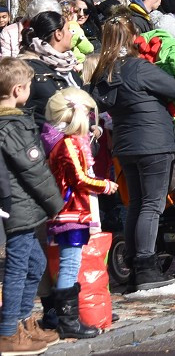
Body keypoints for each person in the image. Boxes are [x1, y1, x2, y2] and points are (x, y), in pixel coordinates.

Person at [88, 15, 175, 292]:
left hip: (124, 143)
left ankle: (135, 263)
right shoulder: (137, 67)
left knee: (135, 203)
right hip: (153, 142)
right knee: (151, 205)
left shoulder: (104, 71)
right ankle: (147, 268)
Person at [41, 88, 118, 339]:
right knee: (70, 264)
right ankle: (68, 321)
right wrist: (105, 185)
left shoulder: (66, 142)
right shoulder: (67, 144)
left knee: (70, 264)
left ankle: (69, 318)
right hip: (70, 211)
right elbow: (80, 178)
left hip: (72, 211)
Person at [0, 57, 64, 355]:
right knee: (17, 268)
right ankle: (9, 331)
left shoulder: (13, 121)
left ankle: (25, 322)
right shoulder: (11, 126)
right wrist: (56, 202)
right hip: (19, 208)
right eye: (27, 87)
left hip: (22, 207)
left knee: (35, 264)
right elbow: (33, 169)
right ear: (17, 90)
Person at [20, 9, 83, 127]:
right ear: (58, 34)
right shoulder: (27, 70)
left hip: (76, 143)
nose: (72, 34)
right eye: (68, 30)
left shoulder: (68, 67)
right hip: (46, 142)